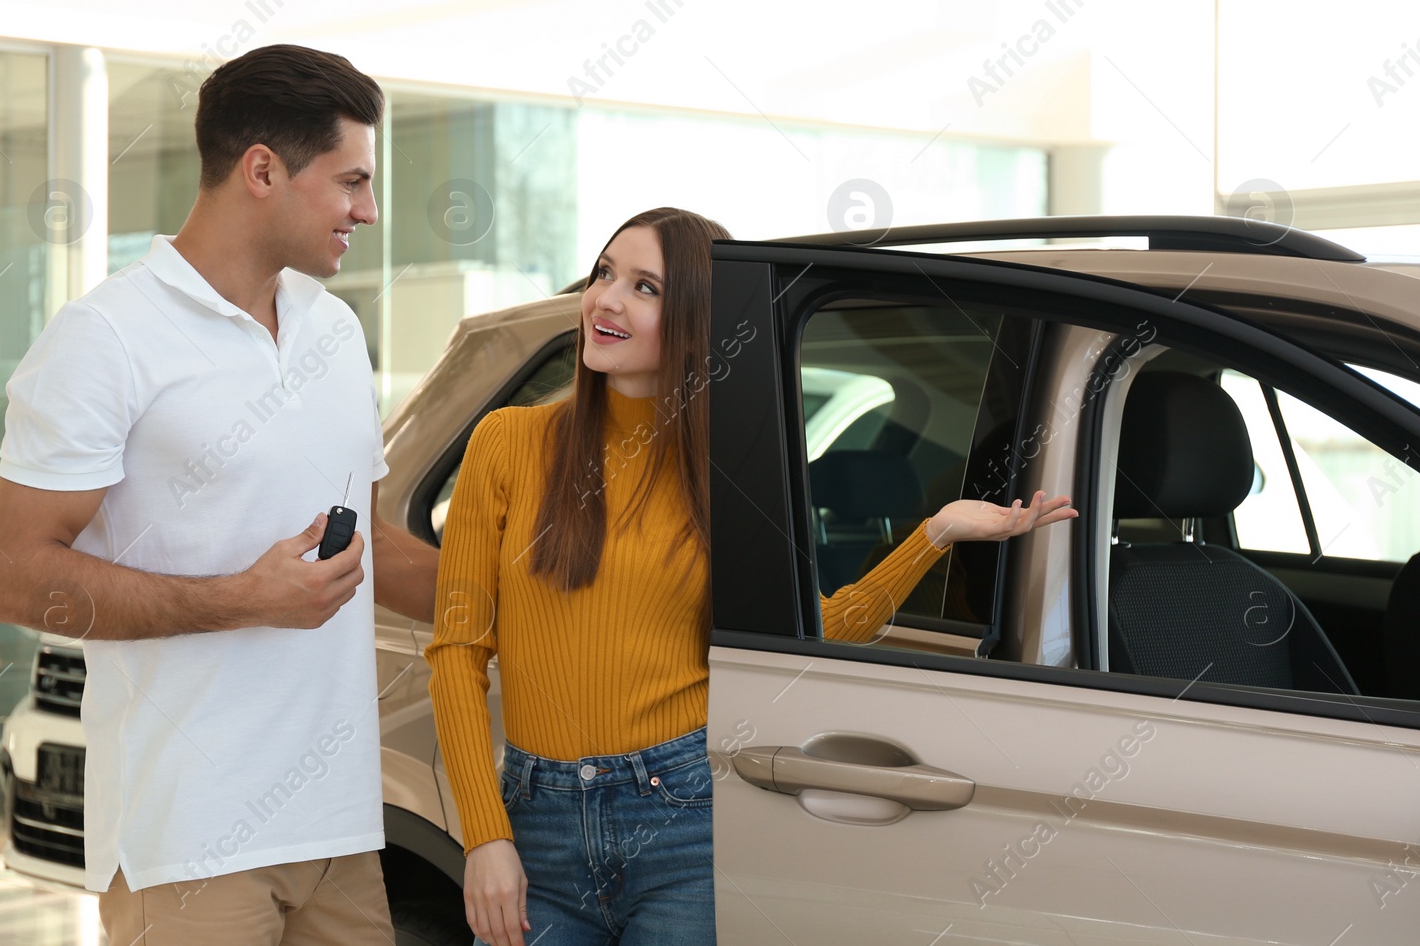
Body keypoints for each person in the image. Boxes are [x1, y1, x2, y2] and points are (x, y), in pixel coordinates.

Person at [425, 207, 1077, 946]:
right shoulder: (508, 443)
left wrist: (935, 533)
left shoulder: (727, 473)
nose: (606, 298)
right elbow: (457, 652)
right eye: (605, 273)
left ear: (700, 320)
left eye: (645, 287)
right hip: (535, 820)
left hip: (683, 819)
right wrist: (484, 835)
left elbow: (812, 628)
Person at [0, 44, 439, 945]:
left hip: (341, 830)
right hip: (188, 841)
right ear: (262, 169)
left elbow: (374, 548)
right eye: (351, 181)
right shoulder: (106, 337)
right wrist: (242, 600)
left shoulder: (335, 330)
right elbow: (15, 576)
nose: (369, 209)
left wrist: (558, 593)